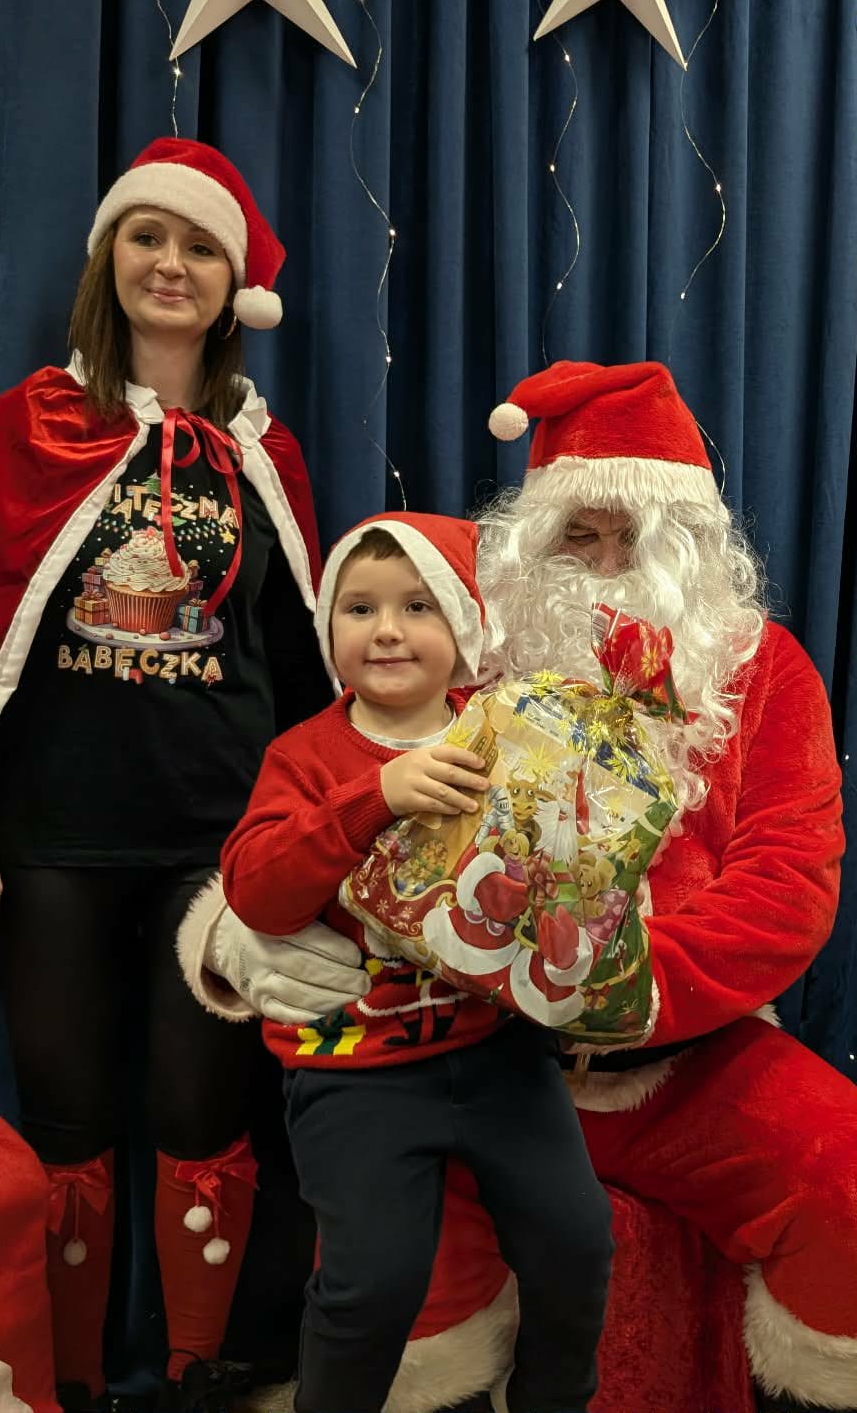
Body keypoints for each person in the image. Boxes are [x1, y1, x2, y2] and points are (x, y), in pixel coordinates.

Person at [180, 361, 857, 1413]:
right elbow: (334, 794)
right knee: (403, 1269)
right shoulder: (462, 650)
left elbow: (787, 889)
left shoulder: (761, 669)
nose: (610, 565)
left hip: (687, 1058)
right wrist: (238, 937)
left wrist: (607, 990)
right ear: (533, 542)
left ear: (693, 543)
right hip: (472, 1050)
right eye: (581, 535)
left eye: (641, 537)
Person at [0, 139, 327, 1413]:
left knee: (203, 1115)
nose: (170, 265)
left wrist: (319, 838)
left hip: (217, 846)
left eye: (200, 247)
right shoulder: (34, 426)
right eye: (147, 238)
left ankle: (192, 1374)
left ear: (234, 285)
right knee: (64, 1121)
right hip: (53, 840)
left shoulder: (262, 455)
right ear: (108, 259)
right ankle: (67, 1380)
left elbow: (301, 664)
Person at [217, 511, 616, 1413]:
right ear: (329, 628)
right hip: (355, 1067)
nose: (387, 630)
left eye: (418, 606)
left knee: (577, 1242)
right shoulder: (304, 756)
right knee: (374, 1283)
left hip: (498, 1051)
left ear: (464, 627)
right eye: (359, 608)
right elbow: (256, 892)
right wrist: (374, 799)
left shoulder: (508, 736)